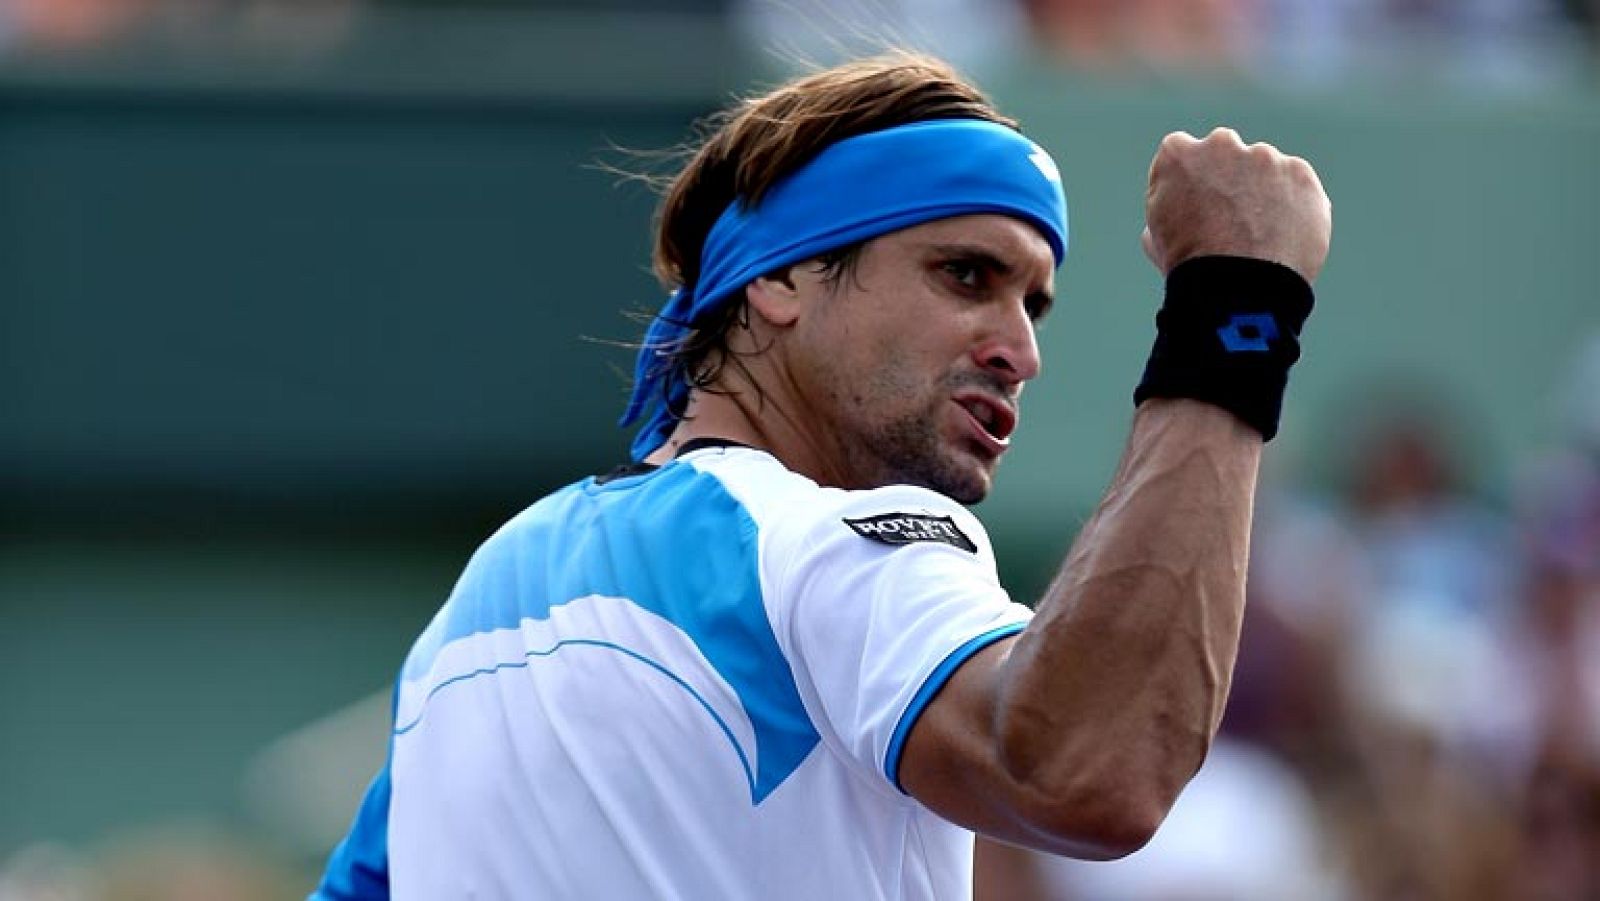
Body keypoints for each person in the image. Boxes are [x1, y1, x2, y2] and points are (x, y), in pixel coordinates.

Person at [314, 51, 1331, 900]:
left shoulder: (474, 611)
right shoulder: (824, 543)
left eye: (1034, 304)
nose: (1019, 351)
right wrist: (1234, 308)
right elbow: (1089, 773)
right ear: (780, 277)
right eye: (965, 275)